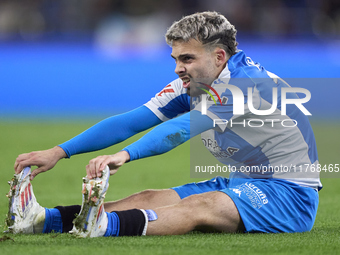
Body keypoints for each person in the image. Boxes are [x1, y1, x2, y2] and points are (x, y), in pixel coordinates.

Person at [6, 11, 321, 237]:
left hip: (289, 196)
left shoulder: (246, 86)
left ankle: (103, 228)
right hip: (242, 182)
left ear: (219, 56)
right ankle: (42, 220)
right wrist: (60, 151)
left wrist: (124, 156)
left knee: (201, 205)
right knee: (146, 198)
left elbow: (181, 129)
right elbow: (131, 122)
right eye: (175, 59)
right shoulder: (196, 81)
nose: (177, 68)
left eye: (186, 59)